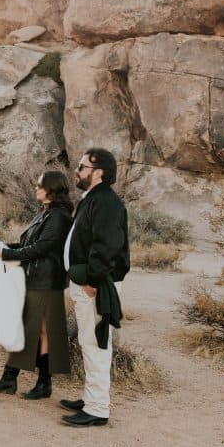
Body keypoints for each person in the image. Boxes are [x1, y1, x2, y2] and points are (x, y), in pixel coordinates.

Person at [0, 171, 74, 399]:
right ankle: (32, 382)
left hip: (46, 281)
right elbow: (30, 243)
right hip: (39, 279)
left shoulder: (59, 216)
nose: (36, 188)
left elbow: (41, 248)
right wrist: (3, 246)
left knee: (30, 330)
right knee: (40, 331)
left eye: (39, 185)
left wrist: (7, 253)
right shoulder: (47, 213)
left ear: (51, 188)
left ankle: (13, 379)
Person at [61, 148, 130, 427]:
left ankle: (98, 408)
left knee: (96, 342)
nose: (77, 171)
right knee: (89, 341)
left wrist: (92, 280)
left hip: (95, 285)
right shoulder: (93, 199)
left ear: (99, 172)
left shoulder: (107, 203)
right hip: (88, 282)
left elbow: (106, 245)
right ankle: (91, 398)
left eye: (82, 166)